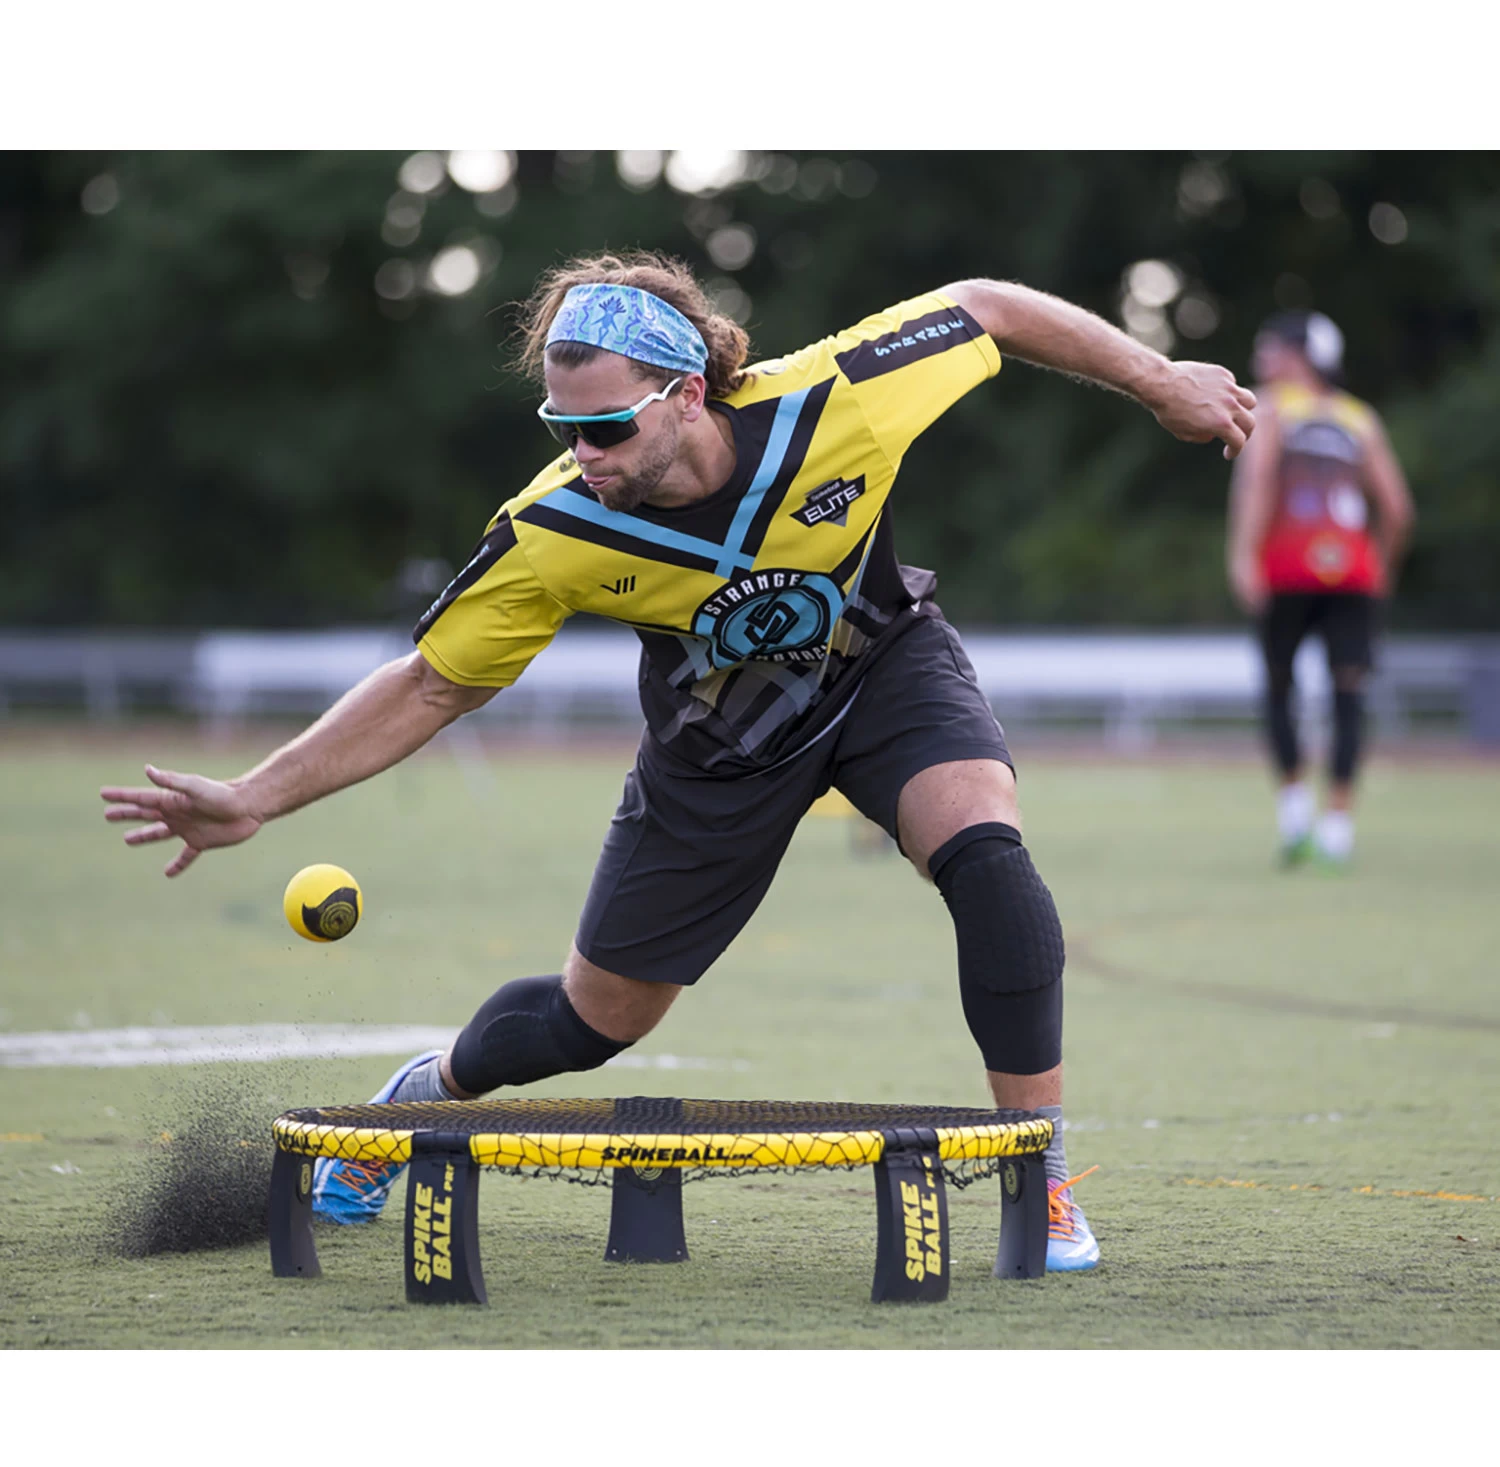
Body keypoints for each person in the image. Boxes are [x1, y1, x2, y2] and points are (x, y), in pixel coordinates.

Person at [101, 251, 1256, 1273]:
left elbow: (985, 306)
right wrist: (253, 797)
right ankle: (426, 1093)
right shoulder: (556, 528)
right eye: (563, 430)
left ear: (688, 394)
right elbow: (433, 683)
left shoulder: (835, 402)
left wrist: (1160, 379)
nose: (584, 454)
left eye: (607, 428)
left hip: (883, 673)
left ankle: (1035, 1174)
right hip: (716, 753)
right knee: (589, 1026)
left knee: (989, 857)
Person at [1227, 310, 1414, 868]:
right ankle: (1338, 828)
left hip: (1285, 569)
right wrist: (1382, 565)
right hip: (1353, 574)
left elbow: (1257, 484)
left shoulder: (1270, 409)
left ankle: (1294, 819)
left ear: (1300, 356)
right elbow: (1398, 509)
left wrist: (1242, 556)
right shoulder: (1359, 417)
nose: (1262, 358)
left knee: (1279, 689)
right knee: (1349, 694)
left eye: (1271, 348)